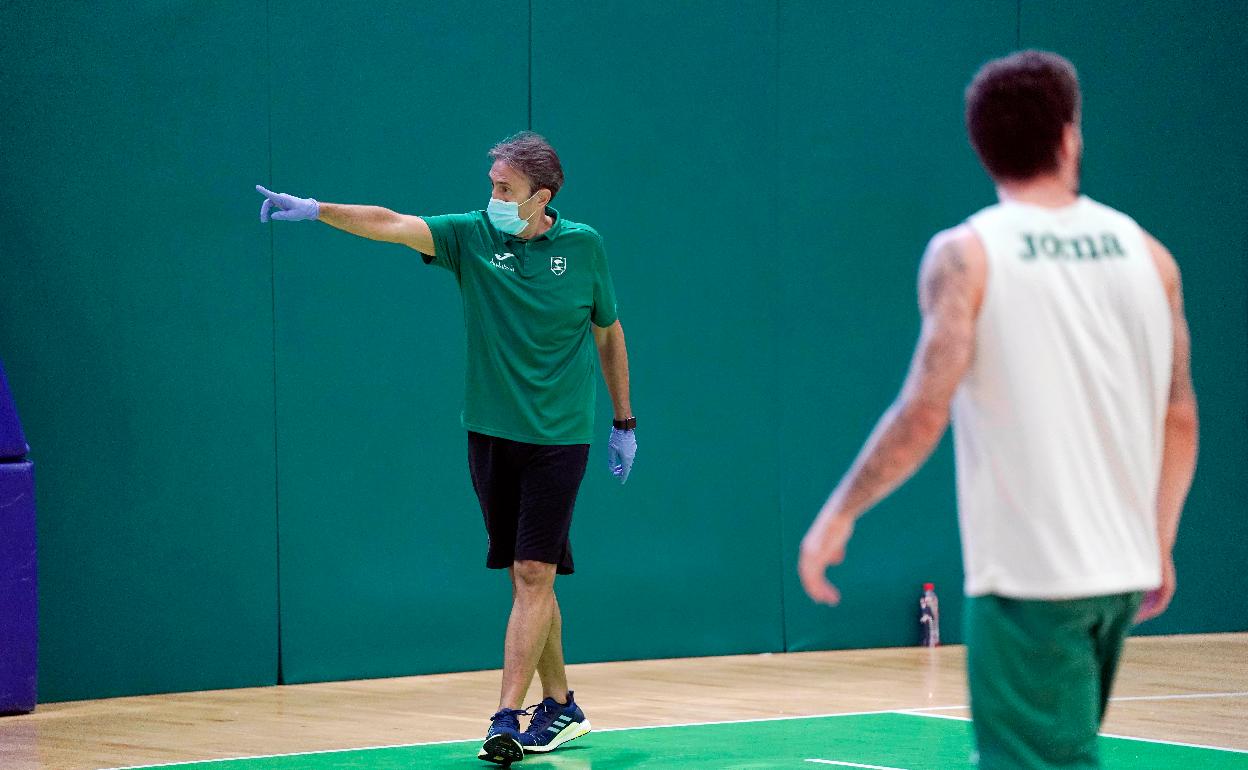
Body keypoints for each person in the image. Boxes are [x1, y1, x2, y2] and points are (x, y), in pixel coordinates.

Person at [798, 51, 1198, 769]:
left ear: (982, 146)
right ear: (1070, 136)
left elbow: (924, 412)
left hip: (1032, 581)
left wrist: (840, 512)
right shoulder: (1153, 256)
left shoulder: (968, 255)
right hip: (1119, 577)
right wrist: (1159, 541)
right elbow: (1180, 418)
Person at [256, 131, 638, 764]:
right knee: (529, 577)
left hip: (558, 440)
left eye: (504, 189)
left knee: (533, 572)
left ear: (540, 196)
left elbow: (609, 333)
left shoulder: (584, 247)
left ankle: (506, 718)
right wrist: (318, 210)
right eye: (491, 185)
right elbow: (391, 223)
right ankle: (562, 705)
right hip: (490, 436)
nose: (492, 197)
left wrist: (623, 422)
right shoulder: (471, 237)